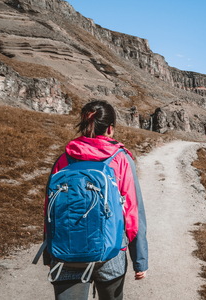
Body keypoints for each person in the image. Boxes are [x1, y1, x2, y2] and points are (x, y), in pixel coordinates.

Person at [43, 100, 148, 300]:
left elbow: (50, 209)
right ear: (110, 128)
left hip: (65, 252)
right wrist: (139, 260)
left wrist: (49, 251)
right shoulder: (121, 159)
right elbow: (133, 213)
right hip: (110, 254)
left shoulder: (63, 159)